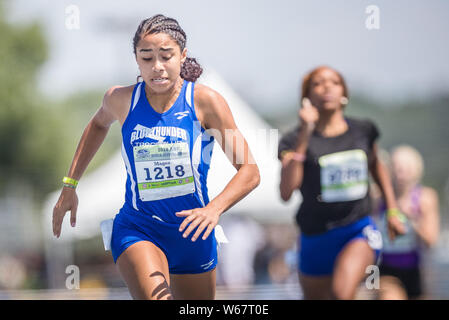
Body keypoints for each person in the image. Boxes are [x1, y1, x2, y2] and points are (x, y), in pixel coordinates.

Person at [52, 14, 260, 300]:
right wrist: (70, 184)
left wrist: (213, 210)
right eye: (146, 58)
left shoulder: (206, 102)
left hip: (193, 231)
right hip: (139, 227)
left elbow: (249, 171)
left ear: (182, 55)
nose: (157, 67)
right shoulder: (121, 99)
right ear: (136, 60)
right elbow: (98, 124)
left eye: (166, 56)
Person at [278, 65, 406, 300]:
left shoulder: (363, 131)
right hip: (314, 234)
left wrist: (392, 211)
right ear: (306, 97)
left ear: (344, 92)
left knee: (340, 294)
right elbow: (287, 191)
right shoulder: (293, 139)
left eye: (334, 82)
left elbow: (377, 166)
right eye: (318, 83)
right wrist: (305, 134)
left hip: (357, 229)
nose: (327, 87)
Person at [375, 145, 440, 300]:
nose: (401, 175)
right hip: (384, 270)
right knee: (390, 296)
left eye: (406, 169)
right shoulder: (377, 198)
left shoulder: (425, 198)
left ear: (416, 171)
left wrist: (411, 219)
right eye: (397, 169)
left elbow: (431, 241)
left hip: (415, 269)